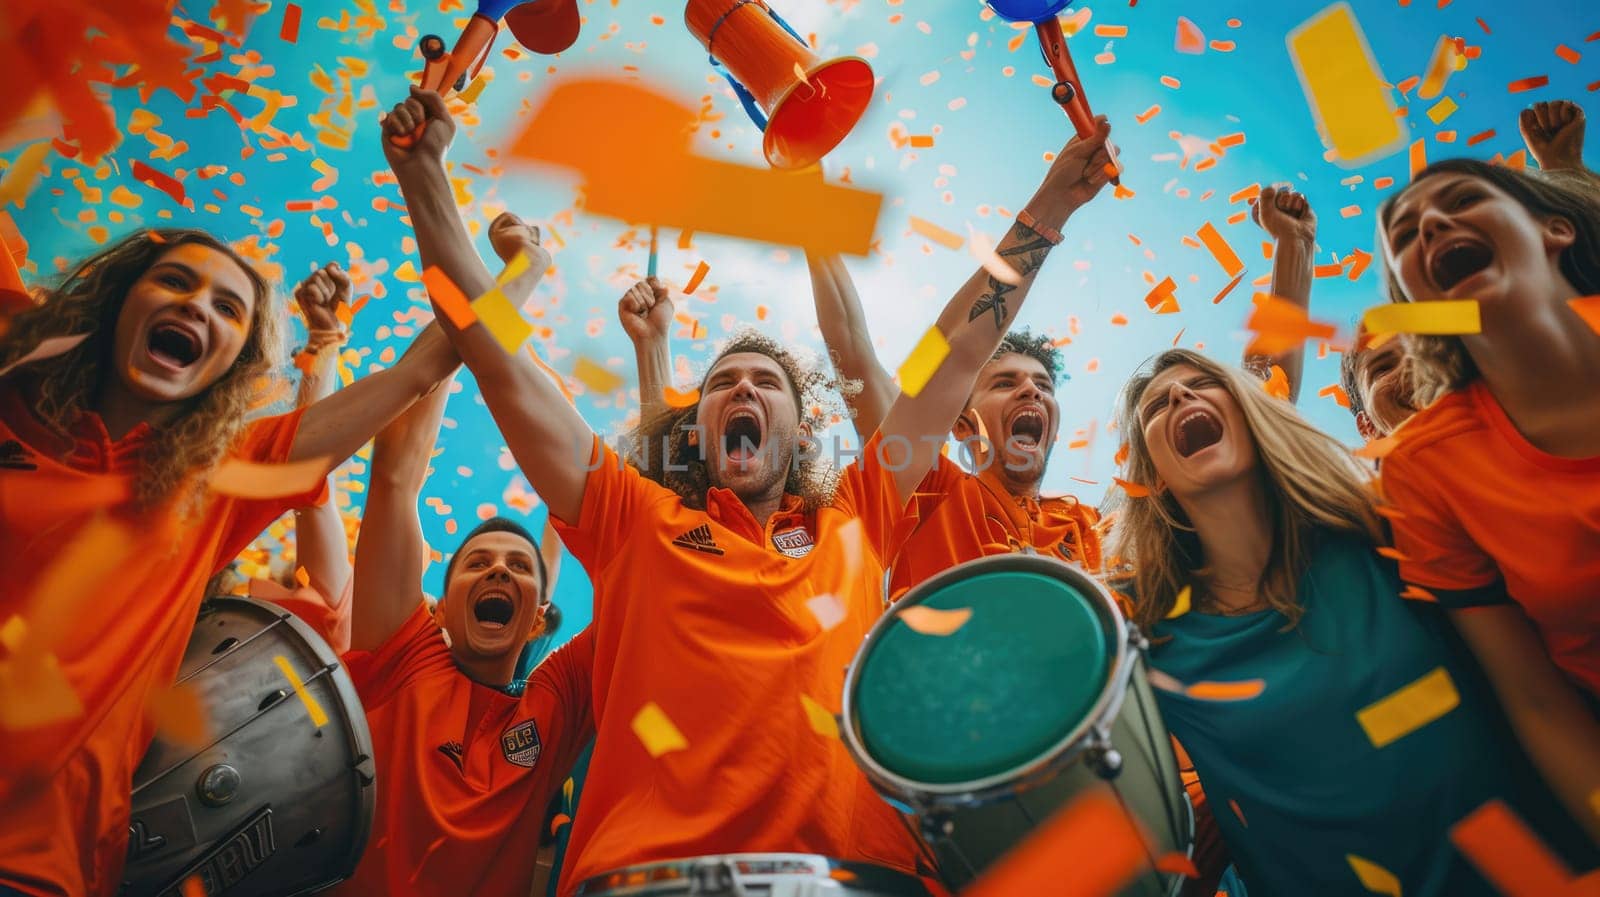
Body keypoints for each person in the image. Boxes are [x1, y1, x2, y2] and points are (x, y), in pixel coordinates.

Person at [383, 86, 1115, 894]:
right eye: (723, 383)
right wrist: (425, 180)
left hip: (859, 875)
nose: (742, 391)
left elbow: (955, 359)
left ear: (802, 433)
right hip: (646, 877)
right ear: (694, 433)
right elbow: (500, 361)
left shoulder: (860, 513)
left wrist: (1048, 207)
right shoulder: (633, 517)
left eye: (767, 383)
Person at [0, 225, 460, 896]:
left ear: (233, 366)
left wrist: (513, 273)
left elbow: (424, 368)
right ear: (119, 299)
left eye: (229, 308)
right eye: (176, 281)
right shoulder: (13, 391)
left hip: (34, 865)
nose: (197, 307)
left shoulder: (218, 482)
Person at [1104, 348, 1595, 896]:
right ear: (1154, 478)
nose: (1178, 396)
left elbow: (1536, 699)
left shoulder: (1386, 529)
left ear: (1254, 418)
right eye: (1153, 408)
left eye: (1204, 383)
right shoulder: (1142, 633)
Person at [329, 181, 595, 895]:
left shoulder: (557, 701)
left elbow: (643, 565)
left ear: (540, 617)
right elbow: (394, 477)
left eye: (518, 566)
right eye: (476, 563)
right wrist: (516, 280)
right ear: (438, 609)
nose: (499, 572)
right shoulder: (403, 656)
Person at [1374, 156, 1600, 841]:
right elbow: (1534, 698)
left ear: (1555, 228)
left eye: (1463, 199)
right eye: (1406, 235)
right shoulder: (1423, 468)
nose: (1432, 224)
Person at [211, 262, 358, 650]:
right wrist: (324, 338)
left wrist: (325, 340)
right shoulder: (202, 596)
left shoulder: (327, 631)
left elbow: (308, 472)